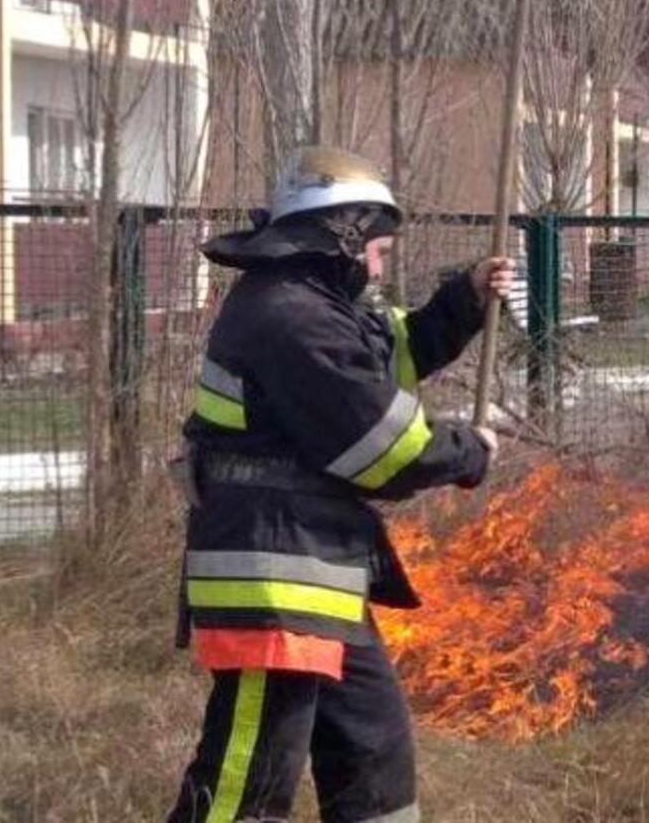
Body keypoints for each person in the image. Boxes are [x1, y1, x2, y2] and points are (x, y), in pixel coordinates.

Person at [166, 146, 512, 823]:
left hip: (312, 573)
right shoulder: (289, 318)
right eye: (376, 250)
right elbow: (385, 450)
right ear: (343, 236)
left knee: (372, 745)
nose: (378, 266)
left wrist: (464, 300)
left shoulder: (311, 307)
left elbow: (384, 356)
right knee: (249, 772)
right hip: (271, 579)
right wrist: (471, 450)